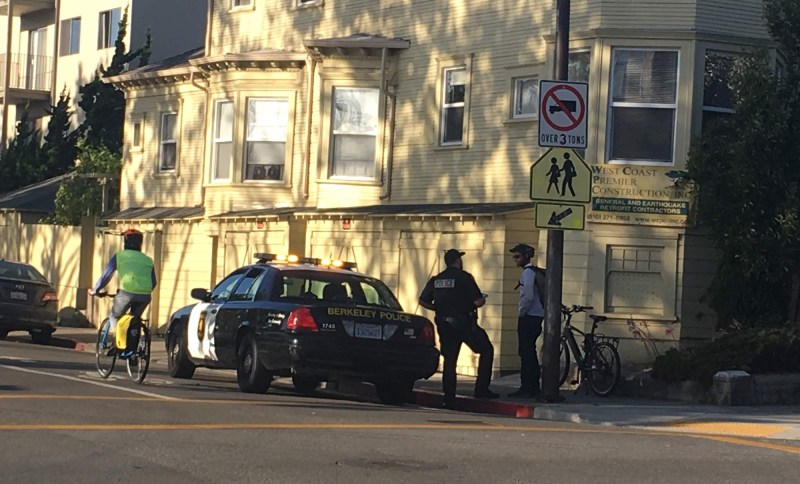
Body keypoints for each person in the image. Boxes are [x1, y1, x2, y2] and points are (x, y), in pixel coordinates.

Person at [419, 249, 499, 409]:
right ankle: (481, 389)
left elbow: (422, 301)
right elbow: (478, 302)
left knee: (449, 362)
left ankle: (449, 399)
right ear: (457, 261)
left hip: (445, 325)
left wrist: (439, 308)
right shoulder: (464, 278)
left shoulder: (437, 279)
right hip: (465, 325)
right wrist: (482, 299)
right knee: (486, 349)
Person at [89, 229, 157, 358]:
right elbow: (154, 282)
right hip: (145, 295)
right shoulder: (148, 260)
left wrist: (95, 290)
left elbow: (106, 276)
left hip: (126, 293)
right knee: (134, 320)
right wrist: (142, 290)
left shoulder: (119, 256)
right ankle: (133, 351)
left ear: (125, 242)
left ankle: (117, 343)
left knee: (115, 316)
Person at [508, 243, 546, 398]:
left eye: (517, 256)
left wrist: (522, 312)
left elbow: (528, 296)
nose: (515, 260)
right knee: (528, 351)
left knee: (526, 352)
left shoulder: (528, 273)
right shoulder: (532, 272)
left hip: (529, 316)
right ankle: (531, 385)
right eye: (514, 257)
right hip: (537, 315)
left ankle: (527, 386)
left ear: (526, 256)